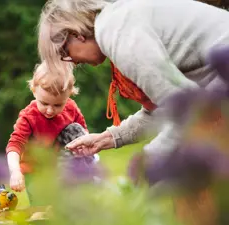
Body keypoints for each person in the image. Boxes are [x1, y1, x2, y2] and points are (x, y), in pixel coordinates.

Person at [37, 0, 229, 159]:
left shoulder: (117, 35)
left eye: (64, 52)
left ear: (75, 34)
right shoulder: (119, 21)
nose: (74, 62)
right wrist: (105, 139)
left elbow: (187, 110)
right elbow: (166, 108)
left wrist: (147, 163)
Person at [6, 61, 96, 204]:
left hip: (61, 166)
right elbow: (14, 145)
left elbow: (83, 136)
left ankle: (86, 181)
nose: (50, 110)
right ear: (34, 90)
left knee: (76, 130)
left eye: (57, 105)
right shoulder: (29, 117)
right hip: (35, 171)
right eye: (44, 103)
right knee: (43, 210)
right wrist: (15, 171)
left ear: (69, 94)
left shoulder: (71, 108)